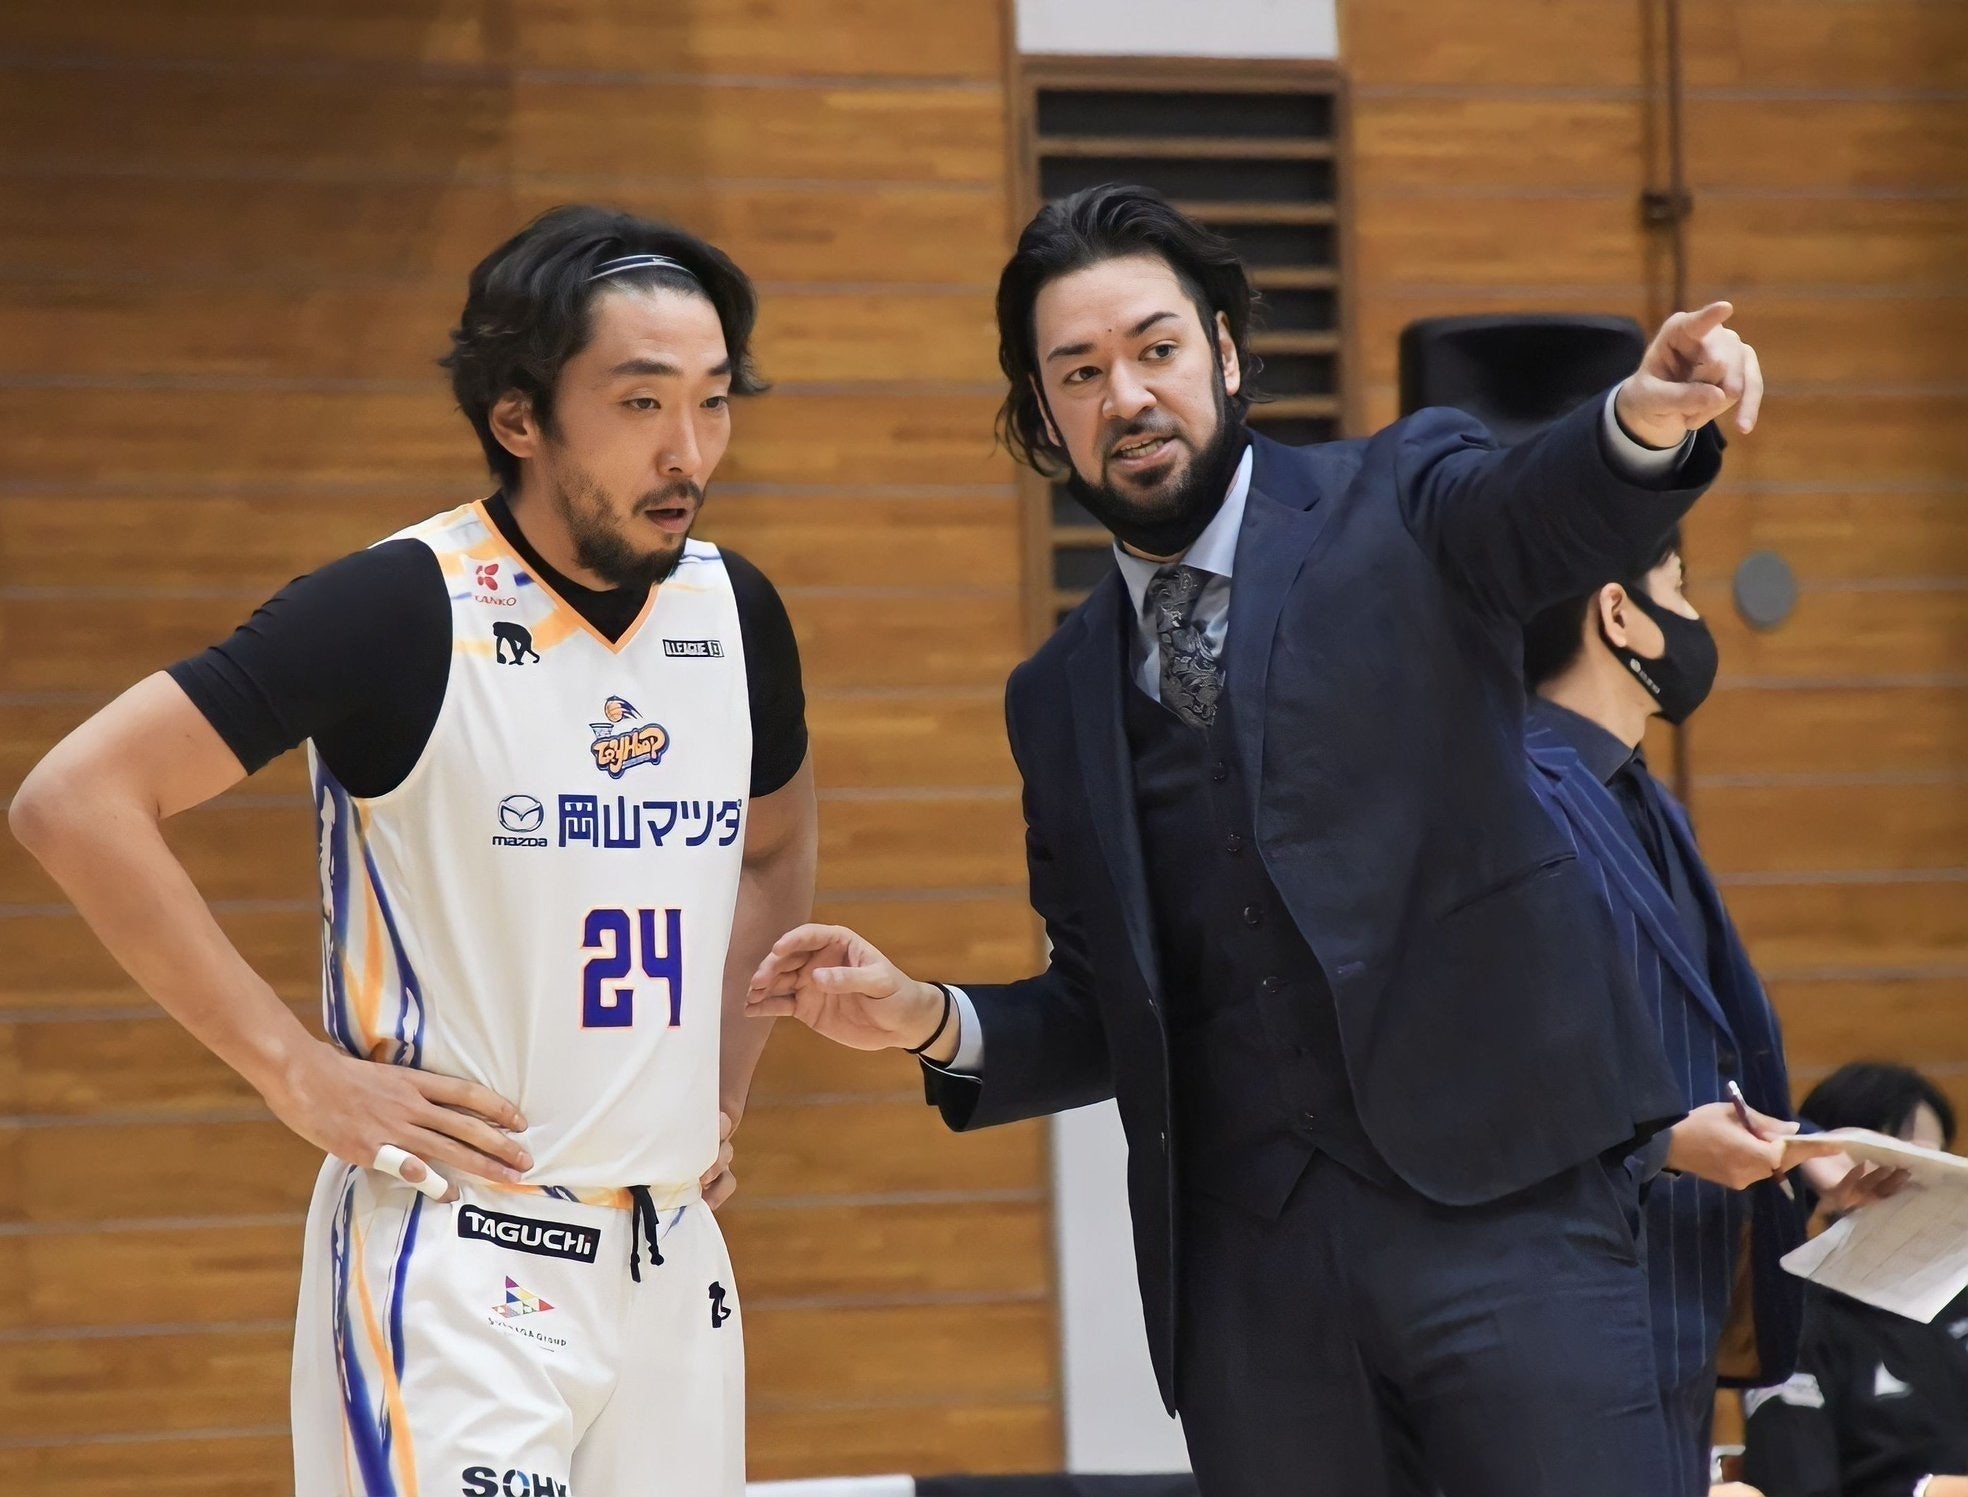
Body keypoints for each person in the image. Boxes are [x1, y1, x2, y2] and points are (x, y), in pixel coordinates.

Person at [747, 183, 1762, 1497]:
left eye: (1155, 348)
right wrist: (929, 1018)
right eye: (1079, 372)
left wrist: (1641, 420)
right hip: (1256, 1303)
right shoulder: (1056, 695)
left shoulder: (1399, 499)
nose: (1126, 396)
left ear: (1224, 354)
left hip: (1512, 1233)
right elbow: (1111, 1006)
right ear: (1042, 417)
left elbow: (1540, 505)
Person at [8, 205, 818, 1497]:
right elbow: (76, 800)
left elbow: (770, 850)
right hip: (458, 1263)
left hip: (674, 1265)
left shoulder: (736, 612)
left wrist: (719, 1087)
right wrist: (293, 1071)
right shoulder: (400, 605)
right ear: (519, 417)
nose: (689, 449)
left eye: (713, 401)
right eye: (641, 402)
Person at [1522, 543, 1902, 1492]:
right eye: (1680, 590)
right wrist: (1660, 1145)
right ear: (1618, 613)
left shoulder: (1647, 799)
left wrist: (1805, 1151)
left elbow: (1693, 1050)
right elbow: (1502, 1072)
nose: (1694, 618)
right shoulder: (1515, 796)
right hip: (1575, 1308)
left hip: (1679, 1305)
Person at [1745, 1064, 1968, 1497]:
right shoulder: (1795, 1326)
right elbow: (1794, 1486)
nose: (1922, 1186)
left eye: (1938, 1162)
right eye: (1901, 1164)